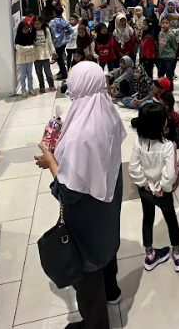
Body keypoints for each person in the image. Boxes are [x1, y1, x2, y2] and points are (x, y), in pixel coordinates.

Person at [33, 62, 127, 329]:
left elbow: (68, 191)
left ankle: (95, 324)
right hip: (109, 195)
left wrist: (51, 161)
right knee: (106, 243)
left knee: (88, 262)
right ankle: (112, 291)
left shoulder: (79, 136)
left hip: (87, 209)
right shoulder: (107, 110)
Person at [128, 103, 179, 272]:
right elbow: (170, 173)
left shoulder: (139, 142)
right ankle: (177, 253)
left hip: (145, 190)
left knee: (148, 218)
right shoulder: (167, 145)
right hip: (163, 192)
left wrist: (145, 184)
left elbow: (133, 167)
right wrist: (163, 187)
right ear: (161, 124)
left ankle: (149, 253)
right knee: (171, 218)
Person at [32, 16, 57, 93]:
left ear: (42, 23)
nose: (37, 25)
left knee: (48, 72)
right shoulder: (32, 31)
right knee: (39, 73)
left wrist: (53, 52)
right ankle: (42, 86)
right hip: (36, 56)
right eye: (35, 24)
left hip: (45, 55)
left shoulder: (46, 30)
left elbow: (50, 42)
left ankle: (51, 85)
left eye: (38, 24)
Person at [49, 6, 74, 80]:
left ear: (54, 12)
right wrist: (65, 35)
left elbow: (50, 32)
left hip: (55, 42)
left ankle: (63, 73)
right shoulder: (64, 21)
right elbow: (70, 30)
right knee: (60, 57)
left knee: (59, 58)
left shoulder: (52, 22)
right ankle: (61, 70)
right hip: (63, 41)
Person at [15, 21, 37, 98]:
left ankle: (30, 88)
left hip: (29, 59)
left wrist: (24, 50)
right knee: (23, 75)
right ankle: (23, 90)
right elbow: (19, 49)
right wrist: (28, 49)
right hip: (21, 60)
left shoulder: (30, 36)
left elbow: (33, 48)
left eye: (28, 28)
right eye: (25, 28)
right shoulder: (18, 37)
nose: (26, 30)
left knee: (30, 75)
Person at [158, 18, 179, 87]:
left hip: (169, 58)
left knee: (169, 76)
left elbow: (175, 46)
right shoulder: (160, 33)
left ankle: (169, 90)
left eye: (166, 23)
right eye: (163, 23)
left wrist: (173, 54)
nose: (164, 25)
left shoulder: (171, 35)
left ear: (170, 25)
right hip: (161, 57)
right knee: (160, 75)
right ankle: (161, 89)